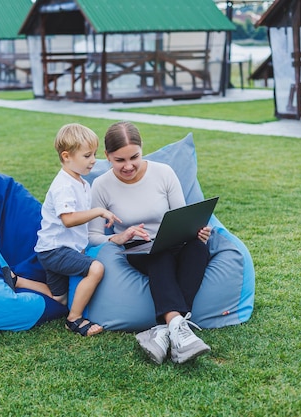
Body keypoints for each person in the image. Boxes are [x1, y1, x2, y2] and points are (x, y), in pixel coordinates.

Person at [89, 121, 212, 364]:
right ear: (107, 157)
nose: (128, 166)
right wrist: (119, 237)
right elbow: (93, 236)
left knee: (198, 249)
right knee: (160, 256)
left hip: (174, 241)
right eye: (119, 160)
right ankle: (180, 331)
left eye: (134, 157)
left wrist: (197, 232)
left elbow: (181, 215)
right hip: (139, 248)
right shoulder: (101, 185)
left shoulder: (163, 172)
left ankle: (164, 330)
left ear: (142, 148)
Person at [35, 123, 121, 337]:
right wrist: (98, 211)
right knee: (96, 269)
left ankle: (18, 280)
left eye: (93, 154)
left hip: (52, 249)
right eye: (87, 156)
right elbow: (68, 219)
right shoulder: (64, 185)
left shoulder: (81, 183)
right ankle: (74, 319)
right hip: (55, 250)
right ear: (66, 156)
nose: (93, 160)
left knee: (59, 300)